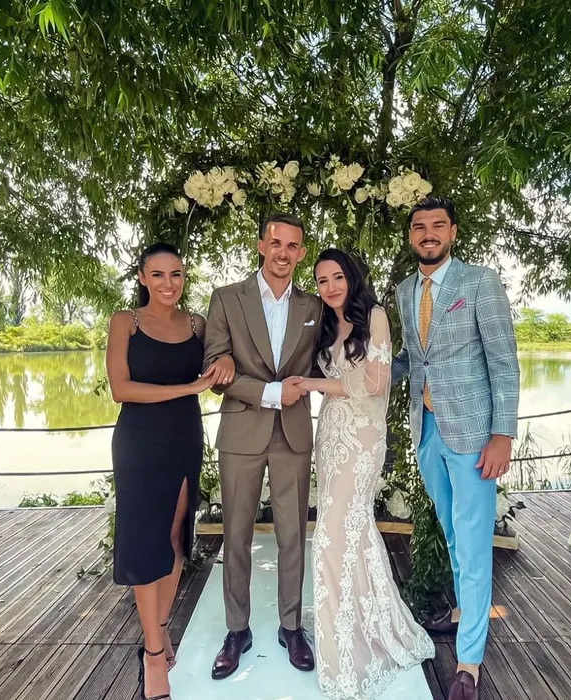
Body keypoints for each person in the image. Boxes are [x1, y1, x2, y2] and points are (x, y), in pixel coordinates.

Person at [392, 196, 520, 700]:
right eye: (419, 227)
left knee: (472, 541)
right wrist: (361, 370)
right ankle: (466, 610)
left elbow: (503, 362)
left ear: (452, 232)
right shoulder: (405, 291)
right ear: (411, 236)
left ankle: (469, 662)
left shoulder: (480, 283)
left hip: (473, 436)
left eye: (437, 225)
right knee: (451, 531)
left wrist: (502, 434)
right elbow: (411, 357)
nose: (428, 234)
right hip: (426, 429)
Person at [296, 249, 434, 699]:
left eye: (337, 277)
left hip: (361, 439)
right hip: (330, 435)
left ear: (352, 278)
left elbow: (375, 385)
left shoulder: (374, 316)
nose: (330, 287)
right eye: (322, 281)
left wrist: (313, 384)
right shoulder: (325, 324)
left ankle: (352, 636)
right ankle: (352, 617)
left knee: (334, 532)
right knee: (346, 531)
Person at [106, 242, 233, 700]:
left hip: (184, 437)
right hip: (139, 442)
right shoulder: (126, 322)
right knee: (145, 543)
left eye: (175, 274)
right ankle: (154, 654)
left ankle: (160, 626)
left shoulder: (197, 324)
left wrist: (224, 363)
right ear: (142, 278)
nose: (168, 283)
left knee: (176, 536)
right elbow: (121, 389)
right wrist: (187, 387)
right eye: (157, 274)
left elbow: (217, 372)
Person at [203, 212, 322, 680]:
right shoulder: (226, 298)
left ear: (301, 253)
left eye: (293, 246)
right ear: (260, 245)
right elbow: (215, 368)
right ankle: (237, 631)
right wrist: (269, 391)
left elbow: (330, 359)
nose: (283, 253)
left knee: (294, 535)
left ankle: (291, 627)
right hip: (241, 431)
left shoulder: (314, 306)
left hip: (293, 434)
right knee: (236, 535)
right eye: (276, 243)